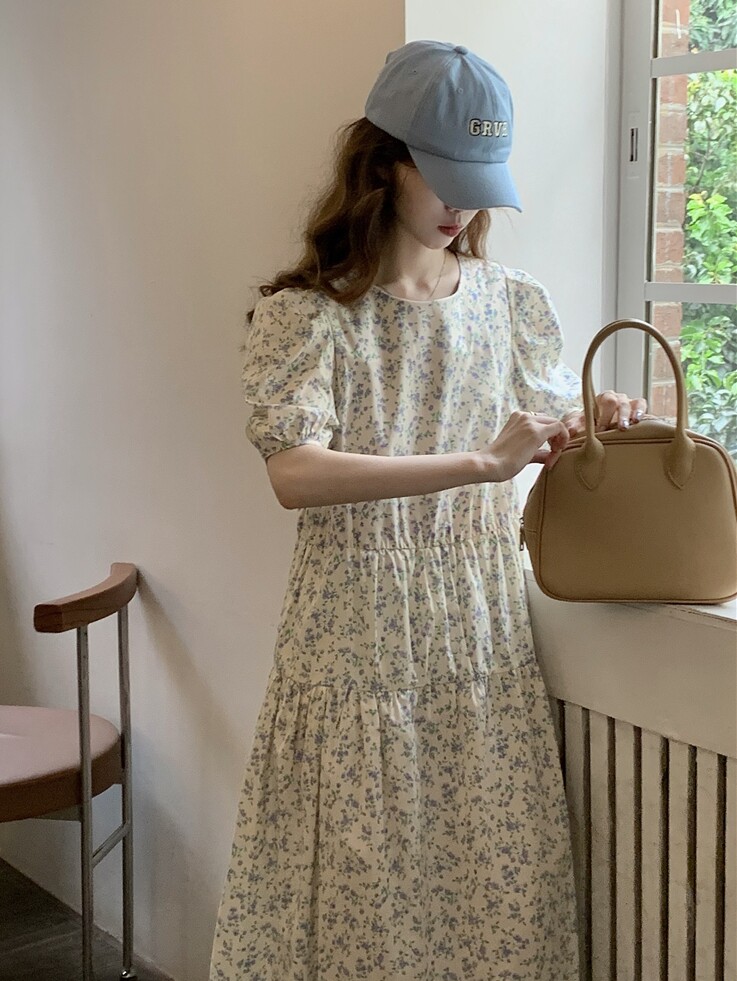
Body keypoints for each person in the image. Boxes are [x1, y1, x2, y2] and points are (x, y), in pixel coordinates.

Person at [210, 40, 646, 981]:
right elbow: (294, 472)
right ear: (383, 167)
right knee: (360, 880)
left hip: (478, 622)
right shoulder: (310, 314)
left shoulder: (510, 303)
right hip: (354, 623)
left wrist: (592, 418)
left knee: (486, 871)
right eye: (445, 180)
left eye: (478, 187)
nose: (464, 209)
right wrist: (480, 463)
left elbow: (541, 431)